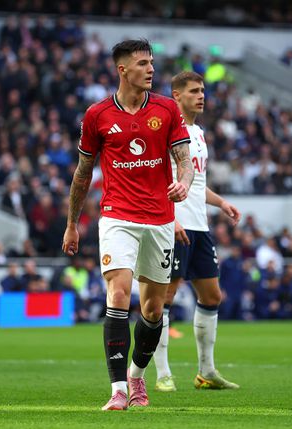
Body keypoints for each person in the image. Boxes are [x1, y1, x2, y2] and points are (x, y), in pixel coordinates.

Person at [62, 39, 194, 411]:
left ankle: (137, 376)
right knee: (118, 294)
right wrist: (72, 223)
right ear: (122, 70)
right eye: (142, 63)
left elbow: (184, 160)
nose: (150, 69)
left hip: (160, 219)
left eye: (151, 62)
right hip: (117, 216)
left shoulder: (167, 109)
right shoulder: (98, 115)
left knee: (153, 310)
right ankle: (118, 389)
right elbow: (83, 173)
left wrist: (184, 182)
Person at [152, 71, 241, 392]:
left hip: (199, 226)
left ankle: (206, 371)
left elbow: (195, 183)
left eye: (202, 90)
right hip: (173, 223)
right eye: (193, 91)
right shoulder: (165, 130)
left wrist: (221, 202)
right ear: (176, 95)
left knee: (212, 295)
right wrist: (170, 218)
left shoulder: (199, 134)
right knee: (165, 297)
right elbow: (156, 179)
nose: (201, 96)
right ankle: (163, 373)